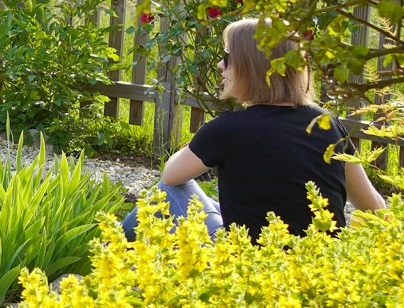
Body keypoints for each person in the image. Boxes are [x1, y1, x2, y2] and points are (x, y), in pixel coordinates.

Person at [123, 17, 387, 242]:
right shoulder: (327, 124)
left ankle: (117, 258)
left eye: (227, 58)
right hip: (317, 266)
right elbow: (374, 208)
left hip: (250, 264)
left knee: (167, 192)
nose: (220, 66)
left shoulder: (227, 129)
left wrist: (194, 149)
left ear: (251, 68)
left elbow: (171, 176)